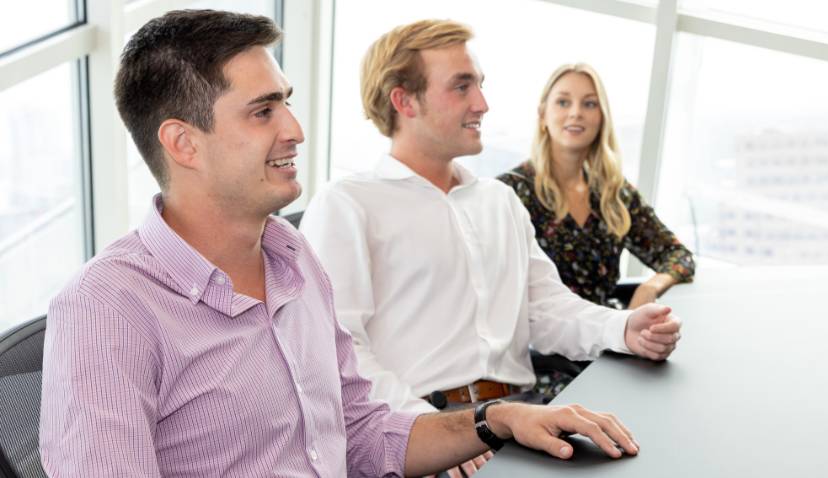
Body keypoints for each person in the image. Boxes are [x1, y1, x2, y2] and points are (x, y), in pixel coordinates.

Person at [38, 10, 644, 478]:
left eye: (288, 104)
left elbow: (362, 431)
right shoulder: (106, 311)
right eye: (262, 111)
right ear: (183, 144)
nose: (294, 130)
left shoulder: (292, 255)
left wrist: (499, 420)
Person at [300, 19, 682, 474]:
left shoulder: (498, 200)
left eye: (479, 84)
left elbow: (545, 309)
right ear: (404, 101)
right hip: (426, 430)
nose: (482, 103)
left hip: (525, 416)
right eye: (462, 87)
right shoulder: (347, 205)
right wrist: (440, 432)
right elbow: (341, 353)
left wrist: (624, 328)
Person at [497, 64, 694, 309]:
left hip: (605, 339)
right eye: (563, 102)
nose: (576, 113)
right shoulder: (510, 192)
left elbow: (679, 257)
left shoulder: (614, 193)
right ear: (542, 115)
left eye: (589, 104)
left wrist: (650, 287)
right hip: (535, 343)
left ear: (602, 118)